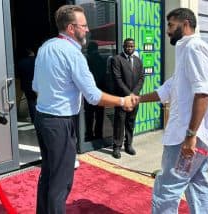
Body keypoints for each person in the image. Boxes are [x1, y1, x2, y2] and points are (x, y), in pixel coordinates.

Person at [32, 5, 138, 214]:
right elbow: (93, 96)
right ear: (71, 28)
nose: (88, 30)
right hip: (60, 121)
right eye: (84, 25)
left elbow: (36, 87)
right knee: (61, 181)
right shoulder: (73, 53)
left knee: (48, 174)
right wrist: (122, 101)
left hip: (43, 117)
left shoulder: (45, 47)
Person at [139, 8, 208, 213]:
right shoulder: (186, 49)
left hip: (186, 137)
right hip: (191, 135)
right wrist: (138, 99)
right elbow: (168, 89)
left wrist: (190, 136)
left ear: (185, 24)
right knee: (197, 183)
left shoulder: (193, 48)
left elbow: (203, 93)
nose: (167, 30)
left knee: (166, 188)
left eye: (170, 25)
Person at [111, 38, 145, 159]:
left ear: (134, 47)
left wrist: (134, 93)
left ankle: (128, 145)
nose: (129, 48)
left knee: (130, 122)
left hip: (134, 98)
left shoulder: (138, 61)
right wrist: (128, 94)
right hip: (122, 98)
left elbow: (141, 78)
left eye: (132, 46)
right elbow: (117, 79)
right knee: (119, 122)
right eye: (127, 46)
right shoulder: (117, 60)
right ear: (123, 46)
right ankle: (116, 147)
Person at [84, 41, 107, 141]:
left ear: (89, 49)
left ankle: (89, 135)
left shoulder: (87, 60)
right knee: (99, 115)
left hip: (89, 91)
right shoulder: (102, 60)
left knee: (89, 115)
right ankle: (99, 135)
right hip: (101, 91)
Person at [16, 47, 37, 123]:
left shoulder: (21, 62)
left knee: (31, 102)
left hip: (27, 85)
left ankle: (34, 119)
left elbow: (18, 75)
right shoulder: (37, 61)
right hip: (39, 84)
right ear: (31, 53)